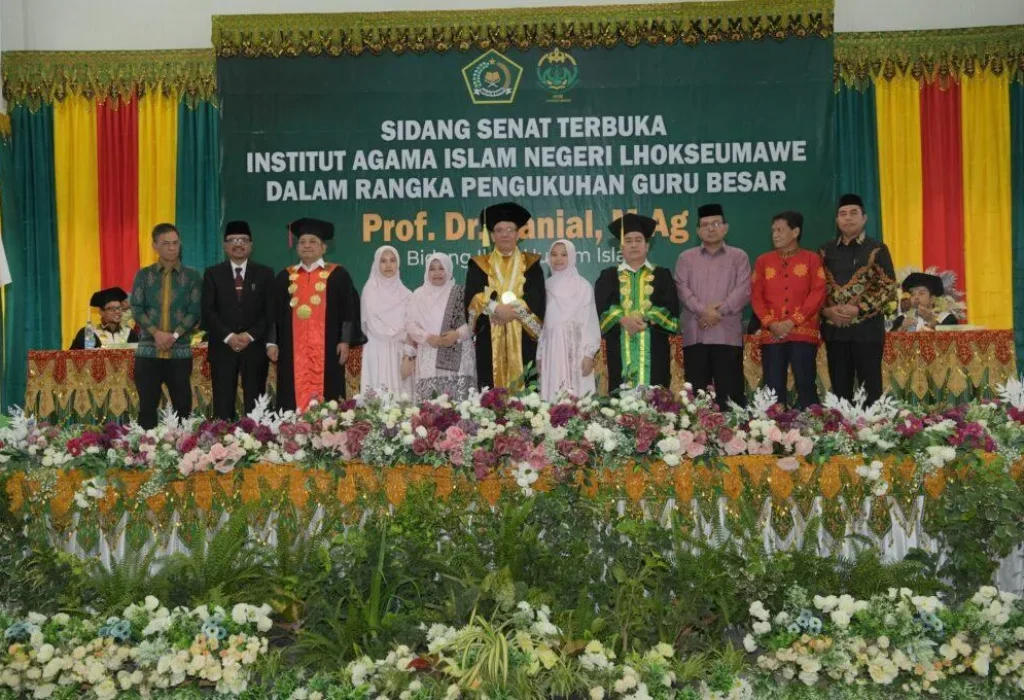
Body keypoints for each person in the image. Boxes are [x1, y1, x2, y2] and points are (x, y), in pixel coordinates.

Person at [267, 218, 365, 412]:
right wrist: (271, 342)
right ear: (296, 248)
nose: (307, 246)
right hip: (291, 350)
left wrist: (345, 340)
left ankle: (328, 437)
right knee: (290, 394)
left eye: (313, 242)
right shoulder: (285, 276)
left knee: (329, 396)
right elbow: (273, 312)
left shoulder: (338, 274)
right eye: (302, 242)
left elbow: (349, 309)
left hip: (328, 349)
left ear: (323, 247)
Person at [820, 194, 897, 404]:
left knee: (870, 389)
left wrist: (859, 308)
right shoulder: (824, 251)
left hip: (868, 331)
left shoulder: (876, 249)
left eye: (854, 213)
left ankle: (872, 434)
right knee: (840, 390)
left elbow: (888, 286)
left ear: (864, 218)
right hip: (835, 331)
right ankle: (841, 435)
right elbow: (816, 288)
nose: (848, 218)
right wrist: (828, 311)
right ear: (837, 220)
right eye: (843, 214)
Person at [674, 203, 751, 408]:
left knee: (730, 395)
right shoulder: (686, 258)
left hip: (726, 334)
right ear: (698, 231)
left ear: (725, 227)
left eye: (716, 223)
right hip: (696, 335)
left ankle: (734, 438)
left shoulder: (739, 257)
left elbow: (743, 289)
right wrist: (703, 311)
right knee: (698, 398)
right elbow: (682, 289)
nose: (711, 228)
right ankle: (697, 439)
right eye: (705, 224)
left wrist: (719, 311)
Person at [465, 202, 546, 390]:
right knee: (490, 396)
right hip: (489, 340)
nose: (505, 234)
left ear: (518, 234)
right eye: (499, 230)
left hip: (523, 340)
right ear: (492, 235)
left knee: (527, 394)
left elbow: (537, 298)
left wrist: (514, 311)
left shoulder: (532, 265)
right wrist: (495, 308)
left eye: (510, 229)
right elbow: (472, 296)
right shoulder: (479, 265)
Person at [750, 211, 826, 409]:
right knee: (773, 388)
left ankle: (810, 432)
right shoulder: (763, 261)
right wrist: (770, 323)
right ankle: (774, 433)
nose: (775, 234)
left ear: (795, 232)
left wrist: (792, 321)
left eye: (780, 230)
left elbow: (817, 293)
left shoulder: (811, 259)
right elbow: (756, 296)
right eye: (773, 230)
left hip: (803, 332)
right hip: (772, 333)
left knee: (805, 384)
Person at [201, 220, 276, 421]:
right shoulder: (212, 274)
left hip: (255, 349)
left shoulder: (266, 274)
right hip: (223, 348)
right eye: (232, 240)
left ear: (251, 245)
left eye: (243, 240)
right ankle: (221, 448)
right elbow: (207, 311)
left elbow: (270, 312)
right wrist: (229, 336)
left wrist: (249, 335)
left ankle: (257, 443)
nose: (238, 244)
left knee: (256, 404)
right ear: (225, 246)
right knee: (223, 404)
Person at [595, 213, 679, 389]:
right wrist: (623, 319)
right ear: (621, 247)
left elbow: (671, 307)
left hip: (654, 347)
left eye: (638, 240)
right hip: (619, 347)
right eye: (628, 240)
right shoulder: (608, 276)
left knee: (656, 400)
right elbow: (601, 306)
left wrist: (646, 318)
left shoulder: (662, 275)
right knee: (620, 400)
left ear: (647, 246)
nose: (633, 244)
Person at [130, 223, 202, 429]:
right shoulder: (143, 276)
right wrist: (156, 334)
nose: (172, 248)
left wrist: (174, 335)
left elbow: (195, 311)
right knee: (147, 407)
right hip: (148, 352)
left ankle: (183, 452)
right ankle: (146, 451)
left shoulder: (192, 277)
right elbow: (136, 307)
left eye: (175, 243)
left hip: (179, 352)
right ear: (155, 246)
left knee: (183, 406)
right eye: (166, 243)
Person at [405, 253, 476, 401]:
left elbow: (472, 321)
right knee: (430, 409)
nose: (437, 273)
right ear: (426, 272)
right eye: (432, 269)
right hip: (429, 356)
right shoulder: (418, 295)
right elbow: (410, 324)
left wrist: (456, 335)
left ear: (449, 270)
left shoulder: (461, 293)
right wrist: (427, 337)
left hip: (459, 358)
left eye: (441, 268)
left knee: (459, 406)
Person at [538, 240, 601, 401]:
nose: (558, 259)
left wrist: (589, 354)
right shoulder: (545, 287)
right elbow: (542, 326)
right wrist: (539, 355)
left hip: (577, 350)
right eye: (554, 254)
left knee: (578, 400)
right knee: (553, 400)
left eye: (564, 254)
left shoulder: (583, 286)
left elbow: (591, 321)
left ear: (572, 256)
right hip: (551, 352)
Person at [360, 245, 413, 398]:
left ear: (398, 263)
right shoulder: (369, 291)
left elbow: (411, 324)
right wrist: (396, 333)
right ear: (377, 264)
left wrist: (402, 341)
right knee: (378, 396)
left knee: (401, 401)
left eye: (392, 260)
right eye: (383, 261)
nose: (388, 265)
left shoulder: (407, 294)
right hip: (376, 348)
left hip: (399, 351)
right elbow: (371, 323)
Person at [69, 287, 139, 349]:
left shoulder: (130, 334)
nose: (117, 311)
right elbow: (73, 358)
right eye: (112, 309)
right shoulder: (88, 333)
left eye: (119, 308)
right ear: (101, 312)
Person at [890, 272, 958, 331]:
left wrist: (932, 322)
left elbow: (953, 341)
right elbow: (887, 342)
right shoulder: (902, 319)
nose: (916, 297)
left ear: (932, 299)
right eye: (913, 294)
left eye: (921, 293)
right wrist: (901, 328)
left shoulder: (947, 318)